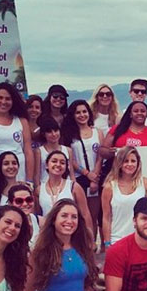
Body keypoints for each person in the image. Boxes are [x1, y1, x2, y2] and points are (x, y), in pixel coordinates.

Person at [61, 100, 104, 241]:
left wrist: (94, 177)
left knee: (93, 215)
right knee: (81, 215)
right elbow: (69, 158)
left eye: (84, 111)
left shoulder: (97, 132)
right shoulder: (68, 134)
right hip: (79, 178)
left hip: (96, 177)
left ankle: (93, 244)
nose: (81, 115)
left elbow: (100, 156)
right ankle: (83, 244)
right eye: (78, 112)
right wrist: (86, 173)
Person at [101, 146, 147, 247]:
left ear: (138, 163)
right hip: (116, 240)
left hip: (140, 240)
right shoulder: (109, 187)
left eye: (133, 161)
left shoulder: (146, 183)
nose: (130, 164)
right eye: (126, 161)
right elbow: (106, 217)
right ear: (119, 163)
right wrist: (107, 243)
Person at [36, 150, 93, 235]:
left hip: (70, 232)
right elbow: (37, 215)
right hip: (48, 235)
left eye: (62, 163)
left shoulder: (74, 187)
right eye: (54, 161)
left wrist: (89, 237)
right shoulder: (39, 190)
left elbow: (85, 214)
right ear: (47, 165)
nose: (58, 165)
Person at [33, 116, 72, 188]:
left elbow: (71, 174)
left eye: (56, 130)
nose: (54, 134)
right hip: (45, 187)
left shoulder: (68, 150)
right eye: (49, 132)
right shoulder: (38, 151)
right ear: (44, 134)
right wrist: (37, 190)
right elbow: (36, 175)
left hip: (65, 187)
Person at [7, 183, 41, 247]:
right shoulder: (7, 225)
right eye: (19, 201)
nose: (25, 204)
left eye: (29, 199)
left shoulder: (40, 221)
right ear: (10, 203)